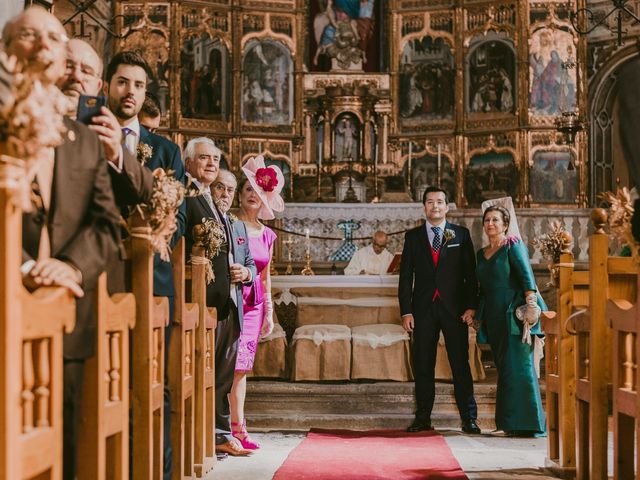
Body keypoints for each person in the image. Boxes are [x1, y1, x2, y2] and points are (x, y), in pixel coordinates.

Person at [3, 7, 121, 480]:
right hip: (7, 301)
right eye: (31, 35)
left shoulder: (82, 140)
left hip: (66, 314)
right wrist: (22, 264)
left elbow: (107, 224)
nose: (44, 47)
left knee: (64, 450)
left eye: (54, 38)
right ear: (8, 47)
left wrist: (70, 266)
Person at [104, 50, 186, 480]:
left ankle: (160, 472)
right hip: (100, 272)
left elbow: (181, 216)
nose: (129, 91)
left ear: (145, 92)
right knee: (104, 381)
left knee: (156, 383)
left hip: (152, 276)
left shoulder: (167, 150)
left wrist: (159, 217)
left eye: (137, 85)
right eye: (122, 82)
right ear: (107, 86)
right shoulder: (86, 135)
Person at [57, 38, 154, 294]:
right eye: (68, 65)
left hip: (89, 272)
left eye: (86, 71)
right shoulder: (19, 117)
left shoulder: (100, 133)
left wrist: (116, 153)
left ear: (97, 85)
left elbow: (130, 200)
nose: (76, 76)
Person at [184, 157, 257, 457]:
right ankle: (207, 432)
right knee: (205, 372)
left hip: (232, 308)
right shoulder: (204, 219)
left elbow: (250, 263)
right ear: (210, 190)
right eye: (220, 188)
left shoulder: (237, 225)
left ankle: (220, 433)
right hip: (209, 305)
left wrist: (247, 273)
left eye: (229, 189)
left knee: (224, 377)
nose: (225, 194)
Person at [399, 186, 480, 434]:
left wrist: (471, 307)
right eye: (430, 202)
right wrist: (406, 311)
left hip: (454, 309)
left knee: (460, 364)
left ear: (447, 207)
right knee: (423, 364)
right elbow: (405, 278)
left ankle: (469, 418)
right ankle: (423, 417)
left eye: (440, 202)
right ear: (424, 207)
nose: (435, 206)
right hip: (422, 310)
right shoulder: (412, 237)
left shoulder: (461, 235)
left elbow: (471, 275)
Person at [475, 206, 546, 436]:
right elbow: (481, 289)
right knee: (505, 369)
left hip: (515, 314)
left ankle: (528, 424)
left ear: (505, 224)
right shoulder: (481, 253)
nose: (490, 224)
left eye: (495, 220)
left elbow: (526, 275)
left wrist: (532, 306)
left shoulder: (512, 244)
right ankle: (507, 424)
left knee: (521, 367)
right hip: (494, 317)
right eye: (487, 220)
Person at [229, 155, 284, 450]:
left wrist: (269, 314)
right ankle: (233, 428)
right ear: (240, 194)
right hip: (232, 300)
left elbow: (266, 277)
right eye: (248, 189)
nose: (253, 195)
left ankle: (237, 428)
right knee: (232, 365)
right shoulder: (230, 225)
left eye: (257, 191)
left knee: (243, 367)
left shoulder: (268, 234)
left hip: (255, 305)